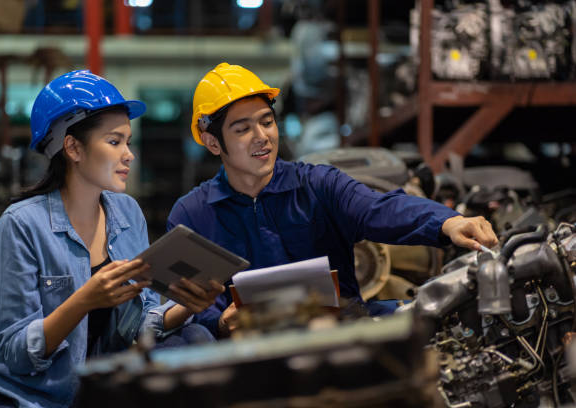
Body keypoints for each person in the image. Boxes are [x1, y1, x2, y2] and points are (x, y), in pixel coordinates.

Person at [158, 62, 498, 339]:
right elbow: (191, 310)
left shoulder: (318, 184)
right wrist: (220, 324)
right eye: (242, 129)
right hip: (251, 355)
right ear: (213, 142)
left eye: (267, 121)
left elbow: (379, 209)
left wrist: (448, 221)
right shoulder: (192, 215)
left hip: (341, 336)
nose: (262, 137)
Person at [0, 70, 222, 408]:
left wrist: (187, 306)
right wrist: (84, 299)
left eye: (128, 142)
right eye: (114, 142)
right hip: (12, 393)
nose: (129, 154)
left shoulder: (127, 214)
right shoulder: (22, 226)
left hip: (81, 388)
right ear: (72, 147)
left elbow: (137, 324)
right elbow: (17, 355)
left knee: (195, 336)